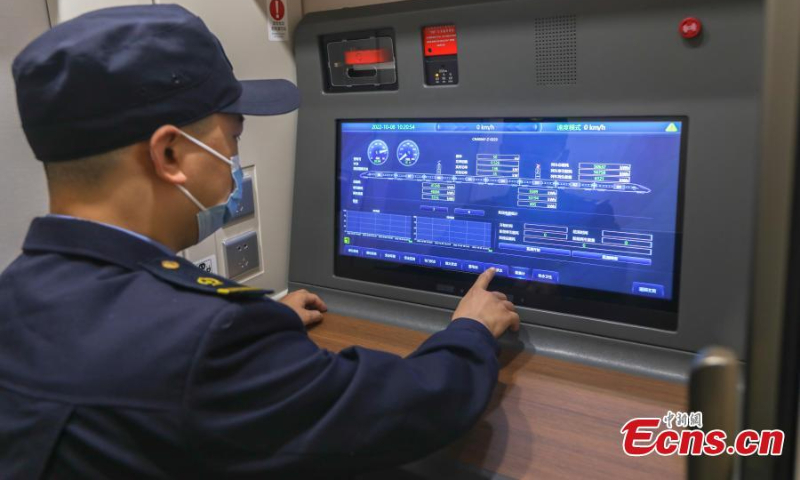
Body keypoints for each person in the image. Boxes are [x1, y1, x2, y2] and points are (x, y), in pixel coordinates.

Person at [0, 5, 520, 478]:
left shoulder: (16, 293)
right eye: (233, 136)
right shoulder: (211, 341)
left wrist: (266, 327)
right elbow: (412, 411)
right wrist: (471, 329)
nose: (233, 161)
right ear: (171, 156)